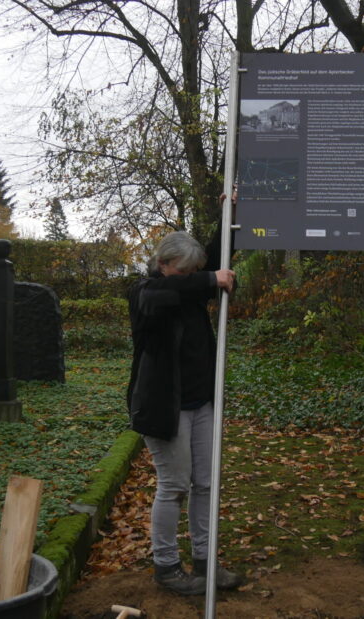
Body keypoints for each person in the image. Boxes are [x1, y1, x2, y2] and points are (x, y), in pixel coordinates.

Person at [126, 221, 243, 596]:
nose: (192, 276)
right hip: (164, 406)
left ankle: (205, 561)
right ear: (162, 264)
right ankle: (166, 567)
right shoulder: (145, 292)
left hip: (200, 402)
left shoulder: (187, 284)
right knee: (174, 485)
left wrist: (231, 214)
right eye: (185, 271)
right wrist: (210, 279)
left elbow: (212, 257)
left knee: (205, 483)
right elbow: (169, 292)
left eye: (195, 271)